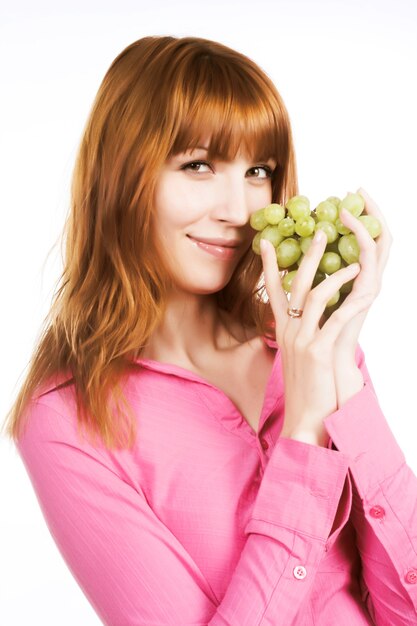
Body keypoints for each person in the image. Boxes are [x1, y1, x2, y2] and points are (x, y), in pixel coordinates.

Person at [2, 35, 417, 625]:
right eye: (198, 165)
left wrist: (341, 379)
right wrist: (302, 433)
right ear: (123, 176)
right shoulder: (68, 420)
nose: (238, 209)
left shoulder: (303, 347)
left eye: (258, 171)